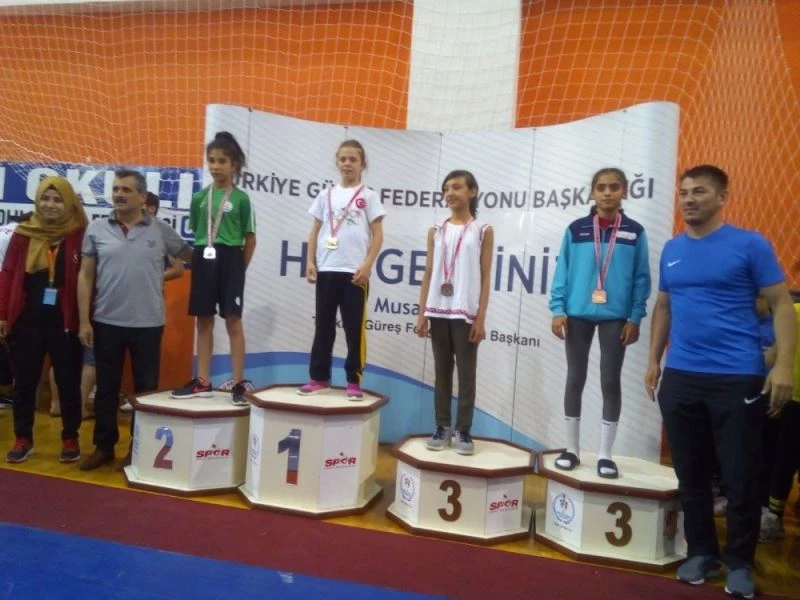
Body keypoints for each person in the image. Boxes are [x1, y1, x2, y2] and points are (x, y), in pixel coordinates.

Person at [645, 165, 796, 598]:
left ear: (723, 197)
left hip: (737, 376)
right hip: (682, 376)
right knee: (690, 473)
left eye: (699, 191)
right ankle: (702, 552)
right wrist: (654, 360)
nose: (689, 199)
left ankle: (740, 562)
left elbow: (781, 305)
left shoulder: (750, 245)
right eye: (684, 192)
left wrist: (783, 367)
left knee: (740, 476)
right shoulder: (672, 249)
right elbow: (664, 307)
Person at [78, 169, 193, 471]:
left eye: (126, 190)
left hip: (148, 325)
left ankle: (139, 448)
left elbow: (190, 257)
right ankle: (104, 447)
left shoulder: (160, 230)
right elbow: (85, 276)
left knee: (145, 390)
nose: (119, 194)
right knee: (106, 389)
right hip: (106, 321)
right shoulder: (96, 229)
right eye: (116, 189)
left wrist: (218, 250)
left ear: (142, 197)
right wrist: (84, 321)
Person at [549, 168, 651, 478]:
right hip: (577, 314)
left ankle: (606, 454)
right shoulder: (576, 229)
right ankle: (572, 449)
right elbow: (562, 271)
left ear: (625, 192)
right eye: (601, 187)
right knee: (575, 378)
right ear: (592, 193)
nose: (607, 193)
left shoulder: (634, 232)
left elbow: (641, 277)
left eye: (614, 187)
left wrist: (635, 316)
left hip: (616, 317)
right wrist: (557, 309)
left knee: (610, 381)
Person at [0, 177, 87, 463]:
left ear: (68, 203)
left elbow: (90, 279)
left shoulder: (78, 234)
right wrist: (3, 314)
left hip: (65, 322)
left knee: (68, 382)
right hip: (27, 321)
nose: (50, 205)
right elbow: (8, 273)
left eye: (58, 199)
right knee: (24, 383)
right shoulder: (24, 233)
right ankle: (23, 438)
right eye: (45, 199)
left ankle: (71, 438)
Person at [171, 132, 256, 406]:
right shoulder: (199, 197)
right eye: (211, 160)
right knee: (203, 320)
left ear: (234, 165)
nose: (216, 166)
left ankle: (239, 382)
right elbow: (198, 231)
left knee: (233, 320)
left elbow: (250, 239)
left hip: (231, 259)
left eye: (222, 161)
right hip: (204, 256)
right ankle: (203, 380)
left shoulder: (241, 199)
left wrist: (239, 270)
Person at [297, 140, 385, 400]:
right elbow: (315, 231)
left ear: (363, 165)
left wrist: (367, 265)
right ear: (337, 163)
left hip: (354, 273)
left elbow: (378, 235)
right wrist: (310, 262)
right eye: (343, 159)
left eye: (353, 159)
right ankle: (319, 377)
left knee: (354, 329)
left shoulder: (369, 196)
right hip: (326, 268)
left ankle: (353, 380)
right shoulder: (326, 195)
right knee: (323, 326)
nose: (347, 163)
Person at [415, 170, 493, 456]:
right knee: (441, 372)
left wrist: (480, 317)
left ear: (472, 191)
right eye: (446, 188)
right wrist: (422, 313)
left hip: (465, 313)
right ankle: (442, 426)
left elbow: (485, 275)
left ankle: (463, 429)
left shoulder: (482, 230)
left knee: (466, 374)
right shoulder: (436, 230)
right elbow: (428, 272)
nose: (450, 193)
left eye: (457, 187)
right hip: (438, 310)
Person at [757, 296, 800, 542]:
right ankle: (772, 514)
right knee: (780, 459)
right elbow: (773, 356)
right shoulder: (793, 313)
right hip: (789, 399)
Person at [0, 212, 31, 410]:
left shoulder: (4, 230)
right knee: (4, 344)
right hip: (3, 285)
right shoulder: (20, 234)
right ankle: (5, 391)